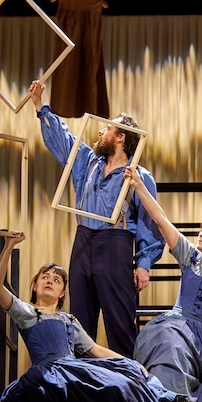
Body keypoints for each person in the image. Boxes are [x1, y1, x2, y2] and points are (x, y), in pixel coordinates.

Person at [0, 231, 186, 402]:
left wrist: (132, 363)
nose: (50, 281)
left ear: (63, 292)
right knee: (113, 391)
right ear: (34, 286)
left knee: (124, 383)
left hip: (74, 371)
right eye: (44, 277)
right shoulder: (27, 313)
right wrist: (9, 246)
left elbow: (94, 349)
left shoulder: (69, 320)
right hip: (49, 377)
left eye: (56, 279)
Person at [30, 81, 165, 354]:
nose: (101, 131)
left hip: (115, 243)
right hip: (83, 240)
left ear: (121, 138)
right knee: (80, 322)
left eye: (109, 128)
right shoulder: (88, 162)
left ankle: (127, 378)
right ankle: (83, 377)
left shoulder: (139, 176)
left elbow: (150, 222)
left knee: (119, 322)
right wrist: (40, 106)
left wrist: (144, 264)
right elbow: (63, 141)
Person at [125, 166, 202, 402]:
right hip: (178, 327)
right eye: (201, 230)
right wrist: (139, 186)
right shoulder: (191, 257)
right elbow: (160, 219)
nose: (201, 234)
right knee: (169, 345)